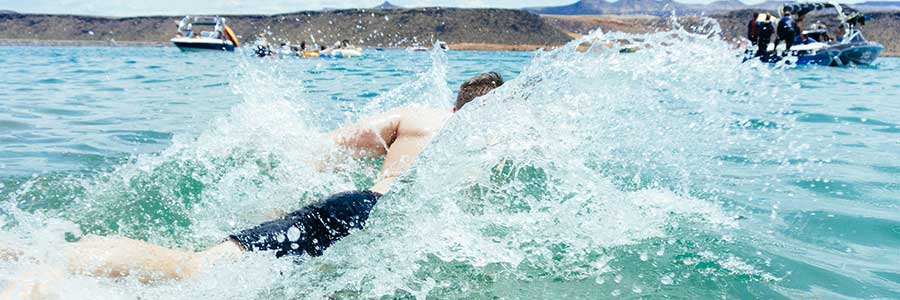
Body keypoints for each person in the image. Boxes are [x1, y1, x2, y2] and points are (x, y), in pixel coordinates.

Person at [0, 72, 507, 298]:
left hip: (351, 204)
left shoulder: (419, 116)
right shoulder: (495, 142)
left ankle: (41, 252)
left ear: (458, 101)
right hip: (376, 221)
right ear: (497, 111)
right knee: (194, 272)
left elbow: (320, 148)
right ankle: (54, 267)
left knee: (199, 264)